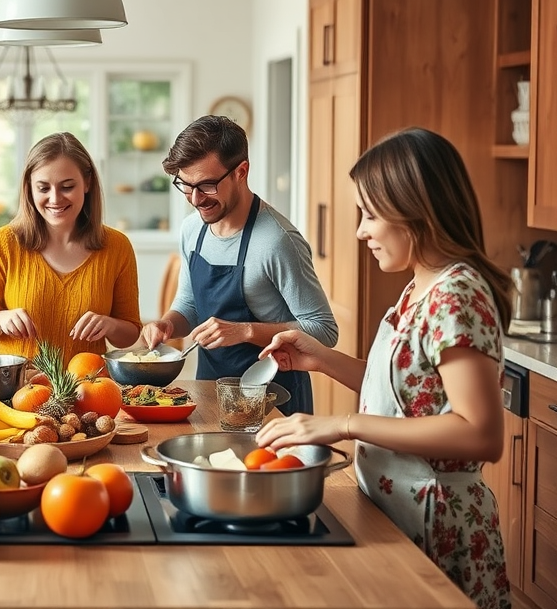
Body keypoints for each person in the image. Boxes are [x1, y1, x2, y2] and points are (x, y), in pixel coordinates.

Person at [256, 127, 511, 609]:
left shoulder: (455, 295)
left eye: (370, 214)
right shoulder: (421, 284)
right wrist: (323, 360)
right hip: (396, 509)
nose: (360, 231)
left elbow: (480, 434)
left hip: (439, 526)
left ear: (415, 210)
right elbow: (410, 396)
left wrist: (341, 424)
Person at [139, 115, 336, 415]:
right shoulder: (192, 230)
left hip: (274, 401)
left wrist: (244, 331)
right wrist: (168, 324)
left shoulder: (277, 241)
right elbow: (190, 303)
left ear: (241, 171)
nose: (195, 199)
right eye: (185, 185)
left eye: (206, 185)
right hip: (209, 392)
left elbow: (323, 330)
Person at [0, 132, 142, 365]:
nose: (55, 199)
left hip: (88, 388)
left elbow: (130, 334)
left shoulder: (117, 246)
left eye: (67, 186)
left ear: (87, 182)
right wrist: (0, 319)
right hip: (19, 389)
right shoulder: (5, 243)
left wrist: (110, 324)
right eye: (43, 188)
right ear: (29, 188)